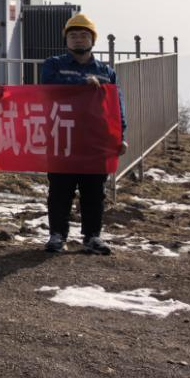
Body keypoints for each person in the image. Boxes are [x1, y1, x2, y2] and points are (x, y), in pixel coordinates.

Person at [42, 13, 127, 256]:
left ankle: (92, 236)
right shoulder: (53, 65)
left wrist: (121, 134)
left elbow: (116, 105)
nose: (78, 39)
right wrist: (81, 83)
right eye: (73, 35)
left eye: (83, 35)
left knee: (94, 192)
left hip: (95, 141)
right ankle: (57, 235)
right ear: (66, 40)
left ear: (92, 40)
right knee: (60, 190)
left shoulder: (106, 72)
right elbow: (47, 89)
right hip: (62, 138)